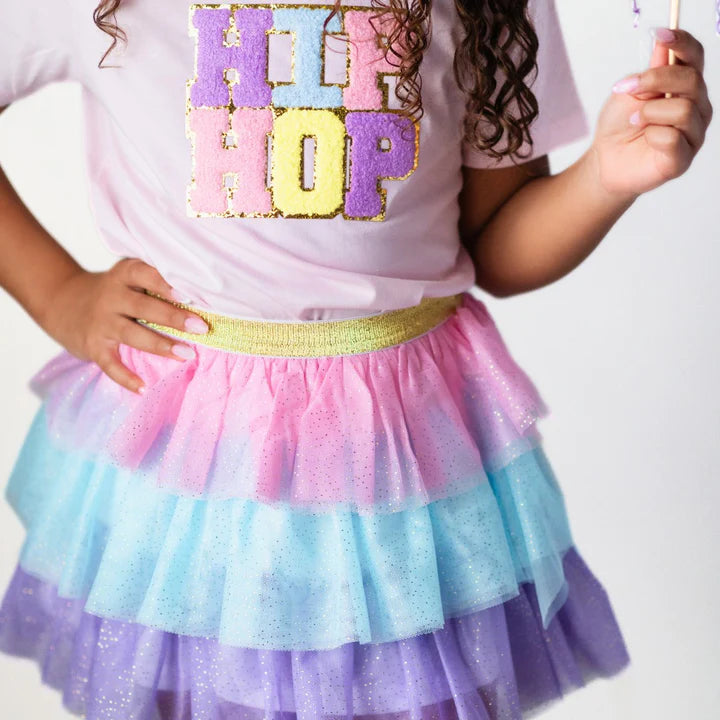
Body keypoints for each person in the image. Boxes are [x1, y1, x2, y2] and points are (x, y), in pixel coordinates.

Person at [0, 0, 712, 718]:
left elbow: (495, 241)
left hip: (402, 452)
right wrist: (57, 294)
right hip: (192, 453)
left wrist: (605, 177)